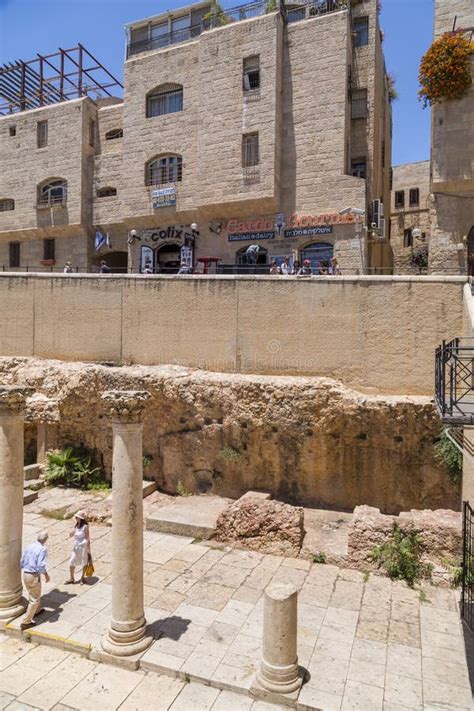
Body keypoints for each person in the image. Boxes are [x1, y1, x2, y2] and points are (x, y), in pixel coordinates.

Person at [20, 531, 50, 629]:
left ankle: (36, 611)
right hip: (33, 575)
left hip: (25, 574)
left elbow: (22, 560)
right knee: (34, 599)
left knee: (31, 593)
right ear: (45, 540)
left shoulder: (30, 546)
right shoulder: (42, 549)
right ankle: (26, 622)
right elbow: (41, 565)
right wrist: (46, 574)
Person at [65, 511, 91, 585]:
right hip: (76, 547)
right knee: (71, 562)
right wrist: (71, 533)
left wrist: (88, 549)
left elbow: (87, 537)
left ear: (81, 518)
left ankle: (82, 578)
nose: (76, 518)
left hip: (83, 546)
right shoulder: (76, 525)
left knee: (84, 562)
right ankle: (71, 578)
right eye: (76, 517)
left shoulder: (85, 526)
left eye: (77, 517)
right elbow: (72, 533)